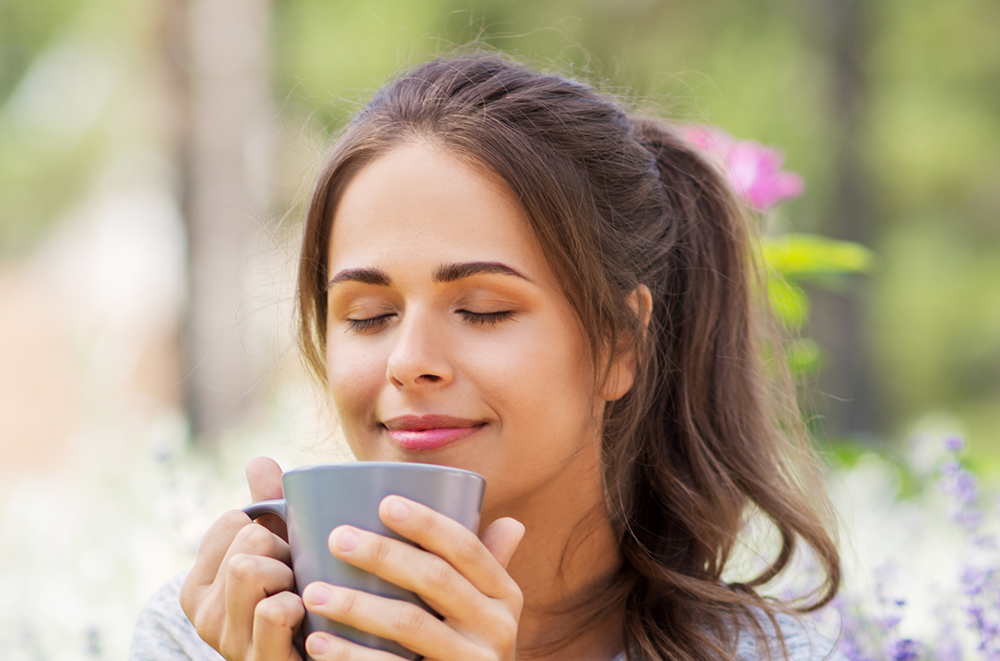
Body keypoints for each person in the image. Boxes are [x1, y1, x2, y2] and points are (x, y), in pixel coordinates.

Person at [130, 51, 844, 661]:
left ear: (619, 342)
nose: (409, 361)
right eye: (369, 316)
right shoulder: (202, 634)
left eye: (483, 310)